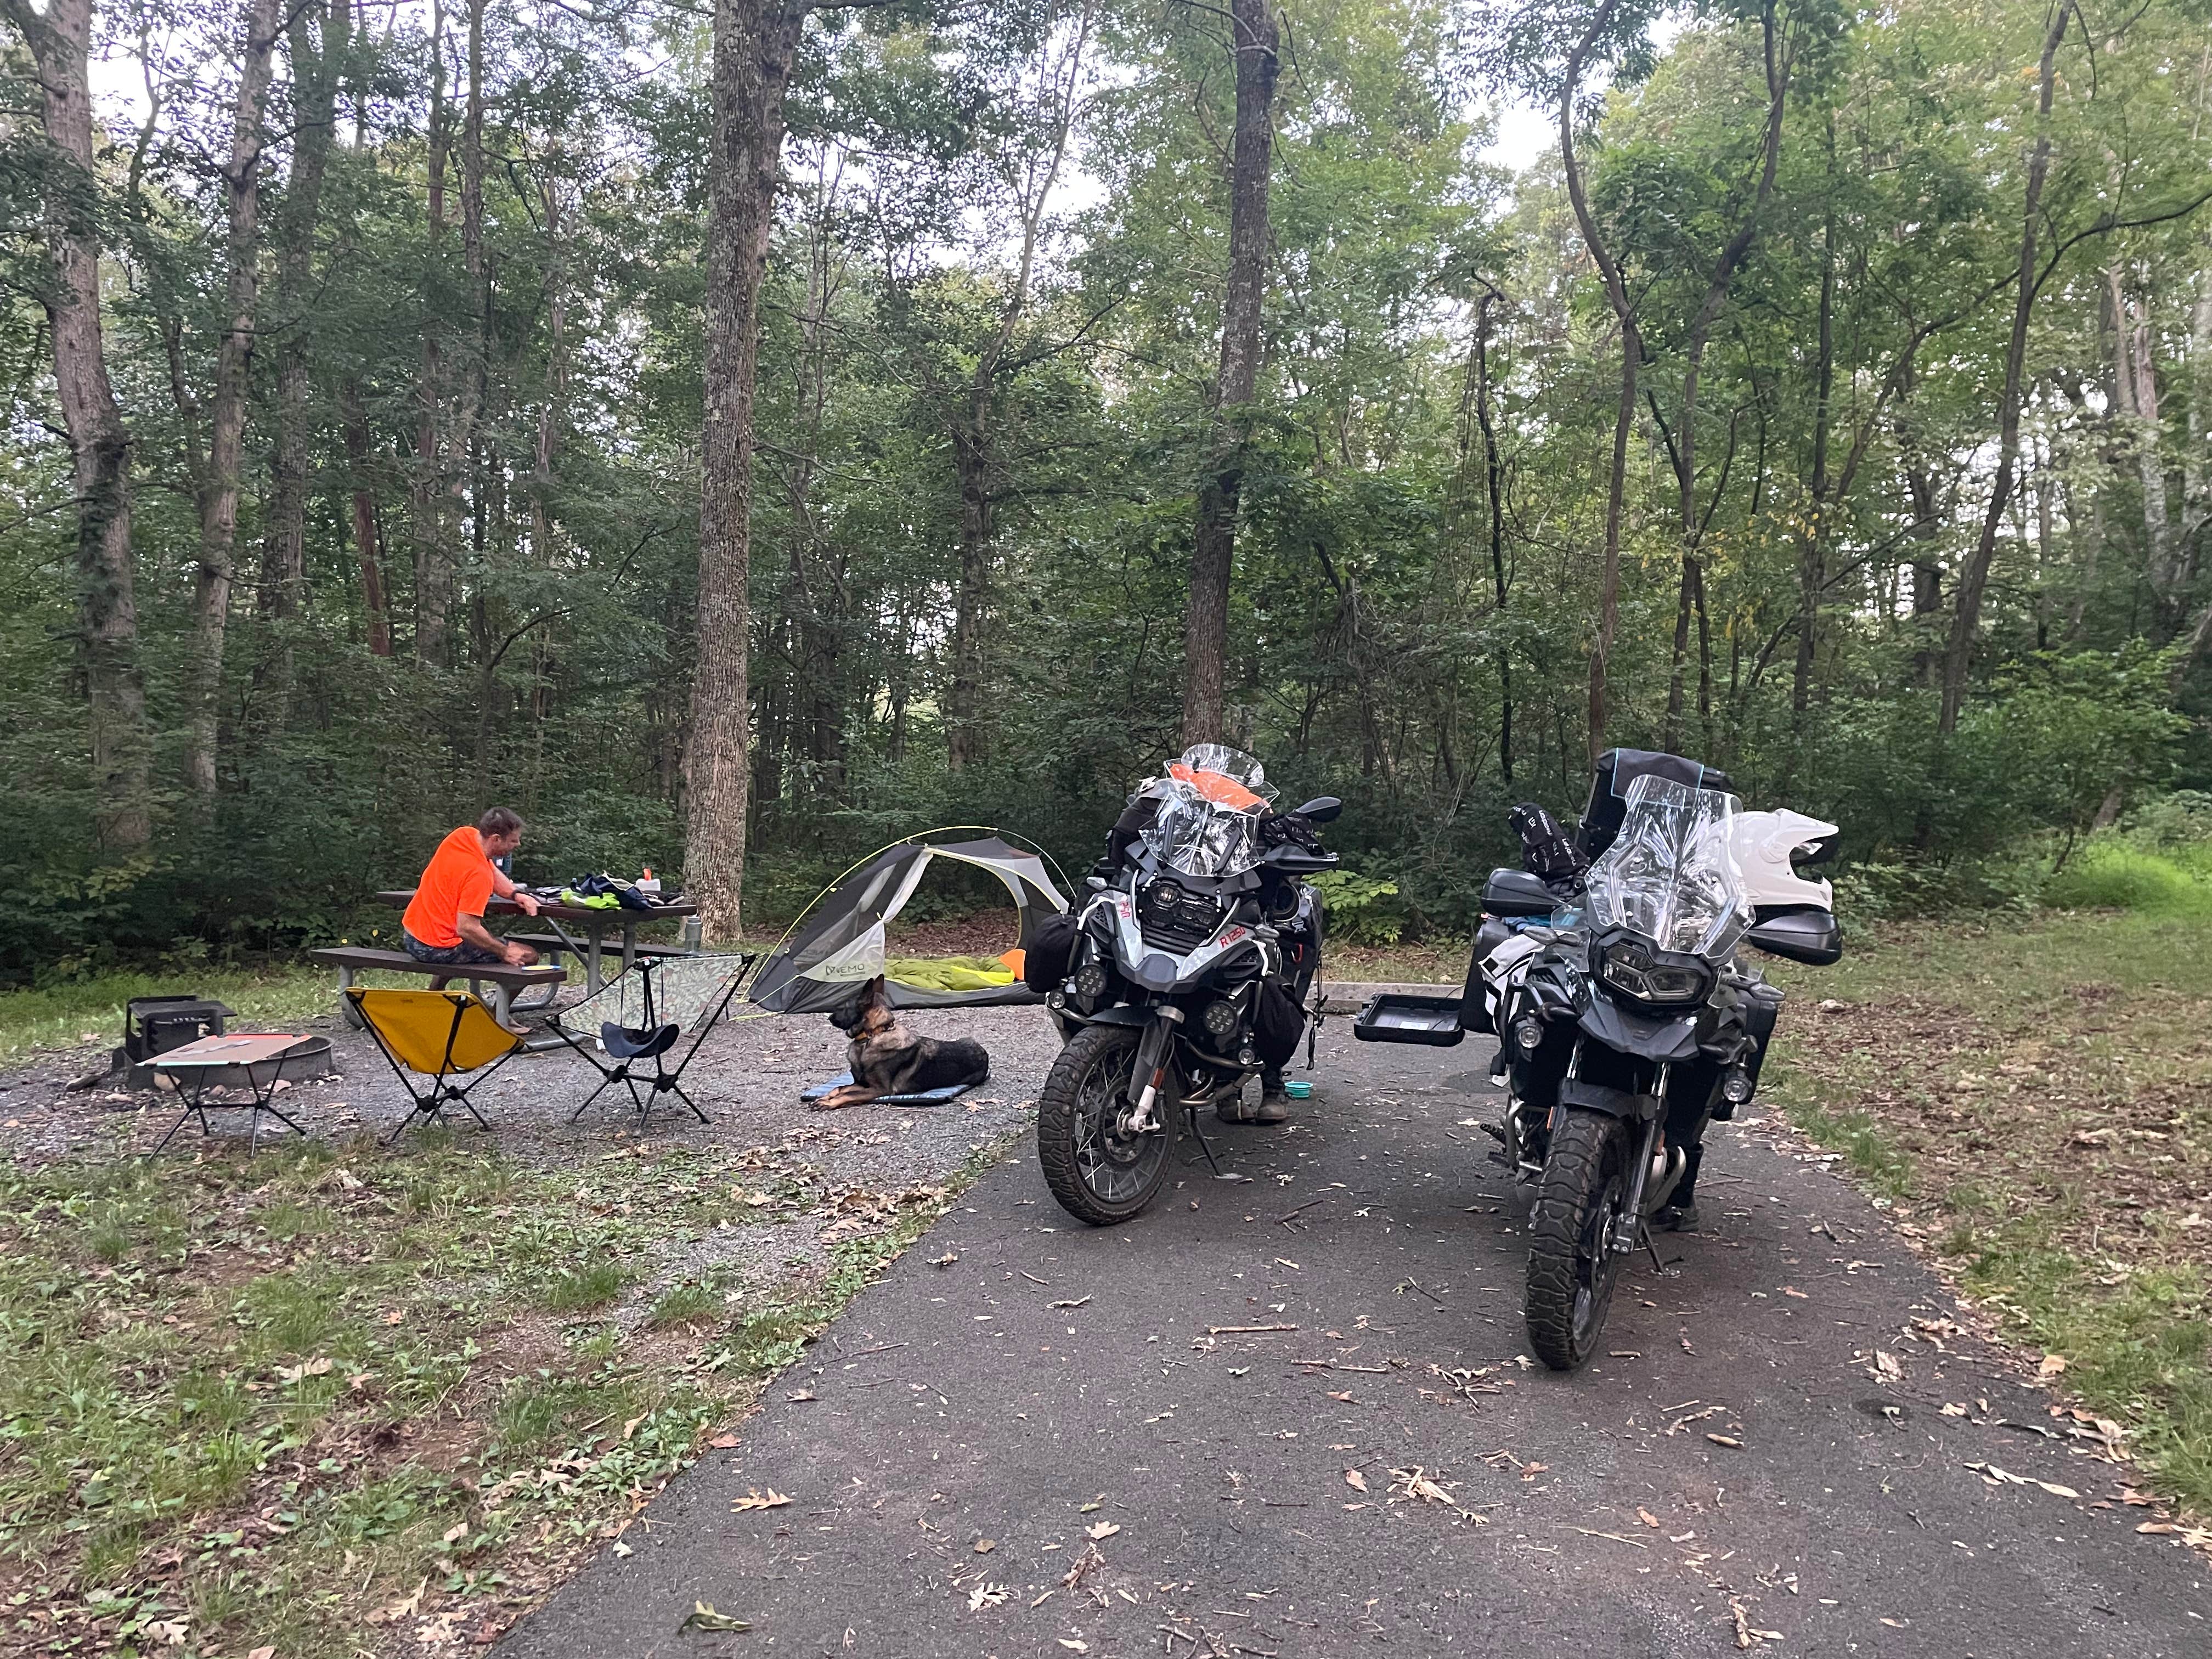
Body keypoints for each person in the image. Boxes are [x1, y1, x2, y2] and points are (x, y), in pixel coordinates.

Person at [401, 807, 542, 990]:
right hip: (435, 949)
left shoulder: (463, 836)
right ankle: (497, 1015)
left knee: (465, 939)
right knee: (527, 955)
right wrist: (505, 952)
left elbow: (490, 867)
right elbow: (467, 928)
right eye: (513, 840)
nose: (518, 844)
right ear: (496, 839)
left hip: (412, 935)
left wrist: (516, 894)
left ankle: (434, 995)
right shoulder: (478, 875)